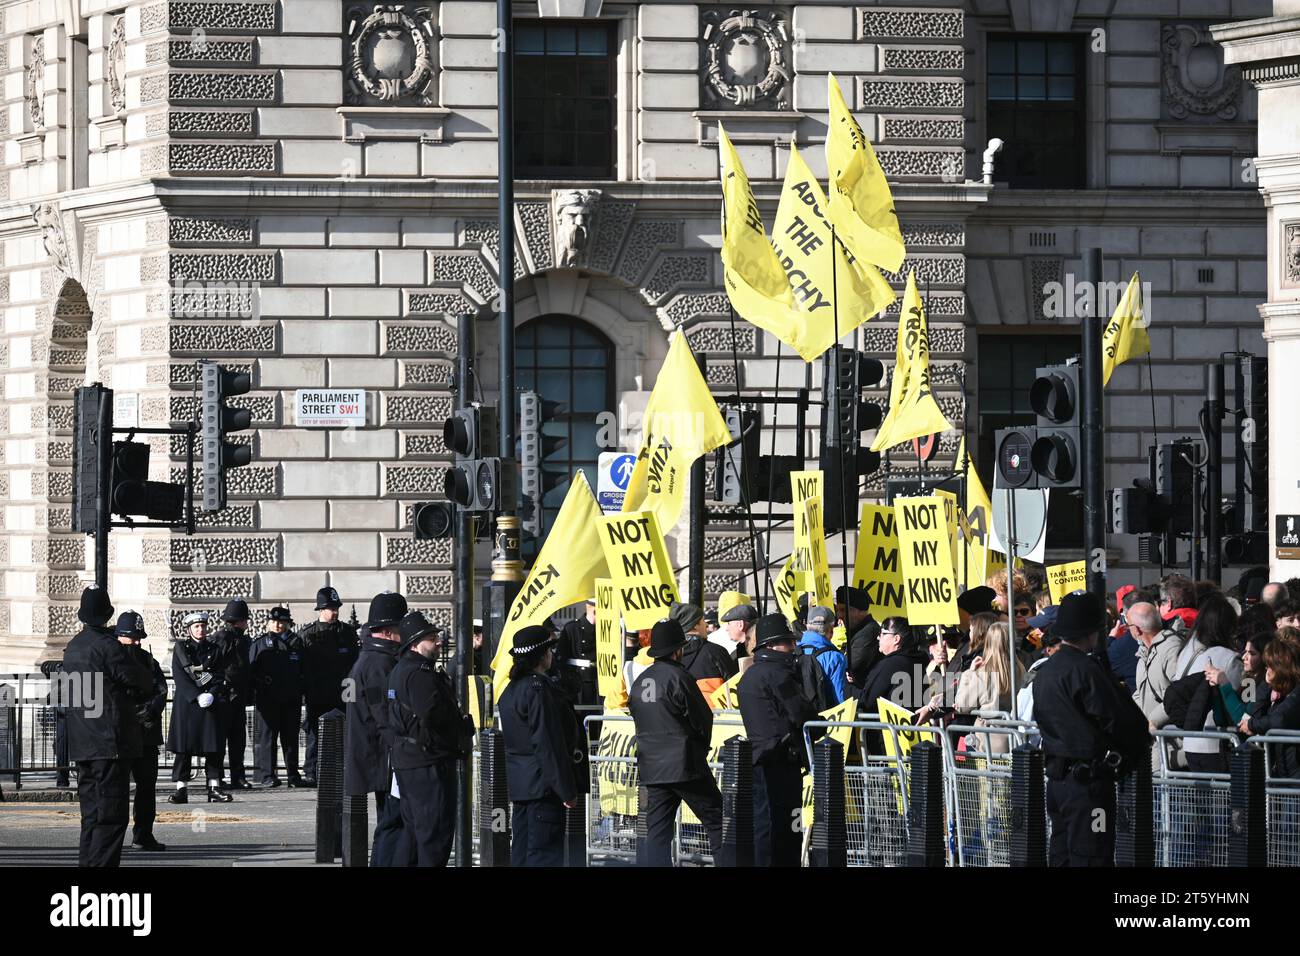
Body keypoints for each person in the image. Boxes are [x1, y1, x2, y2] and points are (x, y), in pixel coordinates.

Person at [1031, 591, 1151, 867]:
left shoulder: (1045, 673)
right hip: (1088, 785)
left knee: (1061, 857)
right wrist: (1128, 754)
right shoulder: (1086, 670)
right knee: (1093, 856)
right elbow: (1123, 720)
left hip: (1058, 782)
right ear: (1091, 632)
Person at [62, 586, 153, 867]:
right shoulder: (108, 646)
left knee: (91, 815)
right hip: (109, 742)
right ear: (108, 613)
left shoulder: (73, 647)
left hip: (82, 743)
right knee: (112, 816)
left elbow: (68, 695)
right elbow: (141, 681)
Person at [628, 619, 728, 867]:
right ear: (677, 650)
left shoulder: (640, 681)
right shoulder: (680, 677)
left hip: (652, 768)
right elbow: (702, 720)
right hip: (685, 764)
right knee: (718, 822)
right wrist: (700, 749)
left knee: (658, 833)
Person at [387, 611, 471, 866]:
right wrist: (461, 725)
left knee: (414, 835)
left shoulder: (403, 669)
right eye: (431, 638)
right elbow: (432, 714)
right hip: (428, 763)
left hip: (410, 760)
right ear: (414, 643)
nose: (438, 642)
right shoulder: (419, 673)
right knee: (434, 836)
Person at [498, 625, 586, 866]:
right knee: (544, 855)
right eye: (549, 650)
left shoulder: (510, 690)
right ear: (542, 655)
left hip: (523, 786)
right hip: (543, 787)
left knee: (522, 853)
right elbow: (547, 743)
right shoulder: (538, 689)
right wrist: (566, 789)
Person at [737, 614, 816, 867]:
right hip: (782, 761)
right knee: (787, 826)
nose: (793, 647)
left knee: (763, 824)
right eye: (787, 642)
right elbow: (802, 714)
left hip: (758, 759)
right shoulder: (779, 675)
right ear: (771, 645)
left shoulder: (749, 675)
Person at [344, 591, 413, 867]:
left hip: (383, 756)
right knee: (392, 822)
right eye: (400, 627)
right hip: (384, 758)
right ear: (386, 631)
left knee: (393, 820)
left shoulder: (378, 659)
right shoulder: (377, 664)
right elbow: (383, 715)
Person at [1170, 594, 1241, 774]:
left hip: (1191, 740)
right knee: (1224, 800)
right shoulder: (1230, 658)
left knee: (1201, 800)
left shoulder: (1185, 652)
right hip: (1218, 742)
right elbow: (1240, 698)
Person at [168, 611, 233, 804]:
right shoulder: (181, 649)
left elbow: (219, 674)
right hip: (188, 705)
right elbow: (180, 677)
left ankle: (214, 786)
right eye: (196, 627)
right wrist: (196, 695)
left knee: (213, 749)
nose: (201, 630)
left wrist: (212, 693)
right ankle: (181, 789)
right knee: (184, 750)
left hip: (209, 706)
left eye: (203, 626)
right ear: (189, 630)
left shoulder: (214, 649)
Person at [115, 612, 168, 851]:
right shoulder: (112, 660)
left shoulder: (148, 661)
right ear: (120, 636)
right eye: (131, 637)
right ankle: (113, 837)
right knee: (117, 790)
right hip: (121, 736)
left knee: (146, 788)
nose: (136, 642)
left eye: (138, 637)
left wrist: (149, 710)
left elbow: (161, 690)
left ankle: (143, 833)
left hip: (146, 735)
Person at [298, 586, 360, 786]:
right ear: (321, 610)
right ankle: (311, 771)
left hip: (342, 692)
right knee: (315, 734)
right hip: (317, 692)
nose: (334, 612)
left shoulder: (347, 633)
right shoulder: (307, 634)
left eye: (336, 608)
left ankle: (340, 771)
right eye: (330, 608)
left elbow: (354, 663)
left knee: (343, 734)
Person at [249, 606, 307, 787]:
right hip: (268, 699)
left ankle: (292, 774)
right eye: (273, 621)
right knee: (268, 738)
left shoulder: (296, 643)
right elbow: (251, 671)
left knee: (290, 738)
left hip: (291, 698)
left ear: (288, 623)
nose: (277, 625)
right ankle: (267, 775)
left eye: (281, 622)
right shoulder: (259, 644)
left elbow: (304, 670)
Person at [855, 617, 929, 753]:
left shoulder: (890, 664)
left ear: (896, 639)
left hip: (888, 743)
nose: (878, 638)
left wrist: (848, 687)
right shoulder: (917, 661)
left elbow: (867, 700)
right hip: (911, 740)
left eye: (882, 633)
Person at [1129, 601, 1187, 772]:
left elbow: (1182, 691)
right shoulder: (1143, 654)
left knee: (1172, 797)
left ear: (1137, 629)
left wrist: (1154, 719)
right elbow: (1140, 694)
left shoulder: (1171, 648)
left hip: (1172, 744)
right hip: (1153, 745)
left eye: (1128, 626)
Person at [953, 621, 1025, 753]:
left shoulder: (983, 673)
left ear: (989, 642)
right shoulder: (1020, 669)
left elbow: (962, 705)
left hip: (987, 741)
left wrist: (969, 672)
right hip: (1015, 737)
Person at [1237, 639, 1300, 777]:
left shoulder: (1296, 692)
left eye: (1269, 666)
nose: (1267, 670)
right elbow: (1252, 713)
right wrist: (1266, 685)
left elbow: (1280, 719)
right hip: (1283, 774)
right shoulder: (1280, 693)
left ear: (1281, 667)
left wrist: (1252, 725)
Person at [210, 598, 254, 789]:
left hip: (239, 695)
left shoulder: (244, 639)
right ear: (238, 620)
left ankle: (238, 776)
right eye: (244, 620)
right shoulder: (220, 639)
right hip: (224, 695)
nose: (246, 623)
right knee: (220, 740)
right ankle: (218, 776)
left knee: (238, 740)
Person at [1208, 630, 1273, 727]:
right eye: (1245, 652)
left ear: (1265, 657)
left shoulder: (1266, 685)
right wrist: (1216, 691)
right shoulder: (1249, 681)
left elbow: (1242, 719)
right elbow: (1221, 721)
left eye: (1251, 653)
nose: (1244, 657)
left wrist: (1225, 684)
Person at [676, 601, 736, 698]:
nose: (707, 626)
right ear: (695, 625)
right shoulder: (715, 652)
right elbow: (735, 685)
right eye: (703, 621)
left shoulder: (671, 656)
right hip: (716, 712)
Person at [553, 598, 599, 708]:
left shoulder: (607, 630)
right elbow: (561, 659)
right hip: (579, 685)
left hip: (599, 684)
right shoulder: (572, 628)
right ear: (595, 612)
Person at [797, 605, 848, 704]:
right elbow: (840, 699)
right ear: (831, 630)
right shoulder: (835, 657)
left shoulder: (793, 652)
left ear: (807, 626)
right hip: (824, 717)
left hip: (798, 716)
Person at [837, 585, 880, 687]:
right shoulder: (857, 631)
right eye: (838, 610)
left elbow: (851, 665)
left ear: (860, 611)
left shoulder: (868, 633)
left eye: (843, 610)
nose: (839, 615)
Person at [715, 603, 757, 672]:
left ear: (741, 625)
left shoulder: (754, 652)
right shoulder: (765, 648)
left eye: (729, 623)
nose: (727, 629)